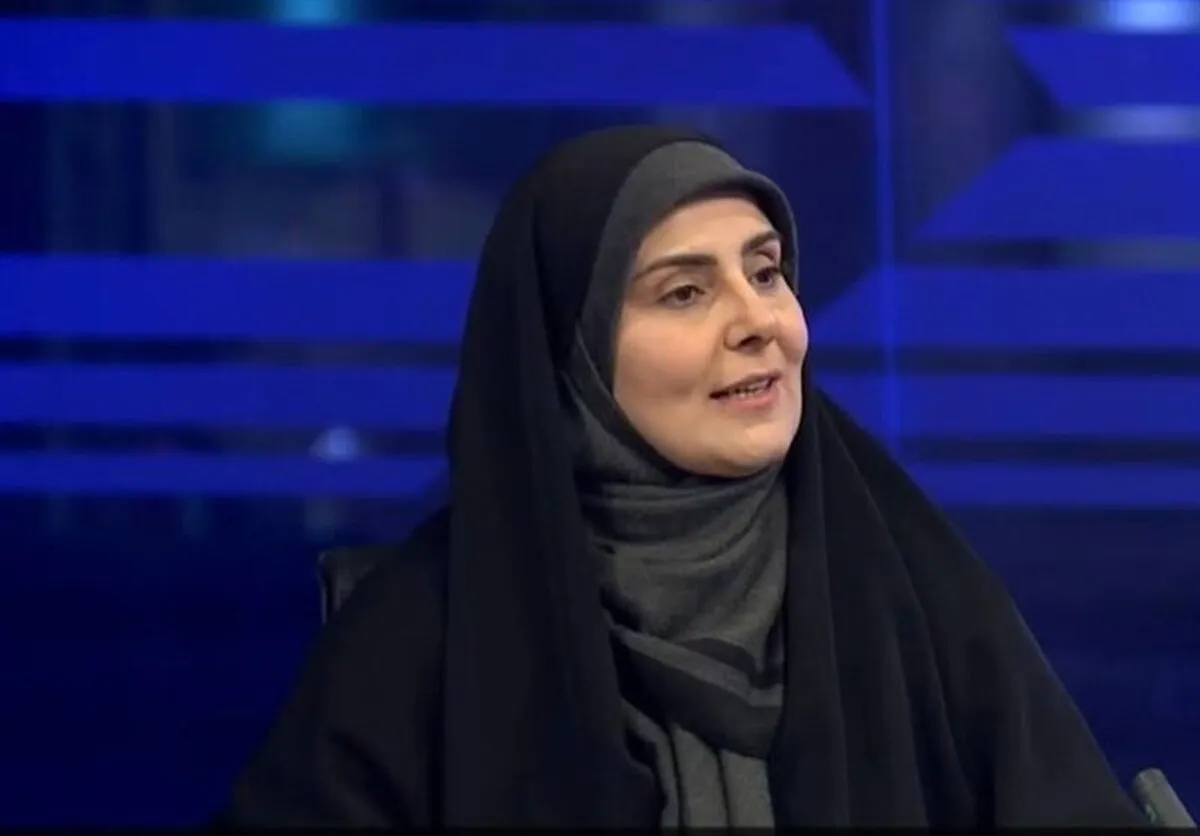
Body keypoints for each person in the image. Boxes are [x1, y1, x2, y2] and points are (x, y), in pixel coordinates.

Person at [215, 125, 1148, 827]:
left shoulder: (914, 586)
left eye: (768, 273)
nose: (760, 322)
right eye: (685, 292)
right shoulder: (421, 637)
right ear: (572, 354)